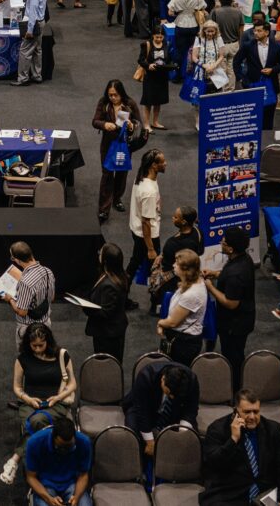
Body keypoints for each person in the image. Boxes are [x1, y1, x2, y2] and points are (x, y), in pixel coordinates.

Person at [0, 324, 79, 488]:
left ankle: (15, 459)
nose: (36, 349)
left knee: (36, 422)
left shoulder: (62, 355)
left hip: (56, 402)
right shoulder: (22, 359)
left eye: (40, 345)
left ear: (48, 341)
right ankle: (46, 470)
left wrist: (58, 397)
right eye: (33, 345)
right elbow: (17, 388)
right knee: (36, 422)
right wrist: (27, 399)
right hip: (30, 403)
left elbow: (72, 385)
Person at [200, 389, 280, 505]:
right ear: (236, 411)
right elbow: (212, 464)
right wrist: (233, 440)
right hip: (230, 493)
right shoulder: (217, 429)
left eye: (256, 412)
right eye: (247, 412)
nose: (252, 417)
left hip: (265, 492)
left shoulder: (272, 429)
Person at [203, 227, 255, 386]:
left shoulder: (236, 274)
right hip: (242, 318)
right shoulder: (244, 259)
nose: (221, 243)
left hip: (234, 324)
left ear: (231, 248)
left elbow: (231, 303)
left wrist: (211, 287)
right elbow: (227, 273)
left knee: (233, 356)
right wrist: (215, 273)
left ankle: (236, 388)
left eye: (223, 242)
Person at [123, 361, 199, 455]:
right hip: (142, 407)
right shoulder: (146, 376)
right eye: (169, 393)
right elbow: (142, 411)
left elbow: (191, 408)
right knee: (133, 435)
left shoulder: (192, 379)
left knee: (191, 437)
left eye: (174, 395)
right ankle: (139, 464)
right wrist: (150, 442)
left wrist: (182, 432)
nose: (171, 396)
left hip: (175, 410)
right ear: (163, 379)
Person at [92, 80, 140, 223]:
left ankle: (117, 198)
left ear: (121, 94)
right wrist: (104, 124)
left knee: (121, 173)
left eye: (115, 95)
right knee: (107, 175)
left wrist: (132, 125)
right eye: (110, 95)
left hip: (124, 145)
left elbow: (138, 123)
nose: (113, 98)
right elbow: (95, 121)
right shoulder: (104, 103)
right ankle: (103, 208)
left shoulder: (129, 104)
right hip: (107, 145)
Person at [155, 249, 206, 366]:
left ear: (186, 270)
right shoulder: (191, 281)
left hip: (184, 343)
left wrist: (160, 323)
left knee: (178, 375)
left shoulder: (191, 295)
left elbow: (173, 322)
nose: (173, 265)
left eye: (176, 264)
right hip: (182, 339)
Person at [234, 21, 280, 129]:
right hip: (252, 85)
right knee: (253, 117)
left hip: (271, 85)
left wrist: (273, 70)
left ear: (267, 32)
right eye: (255, 30)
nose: (255, 33)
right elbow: (236, 62)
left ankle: (267, 140)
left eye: (259, 31)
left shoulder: (276, 45)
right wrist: (242, 79)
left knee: (269, 117)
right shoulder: (248, 45)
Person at [127, 148, 166, 291]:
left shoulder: (142, 178)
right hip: (147, 237)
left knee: (134, 263)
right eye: (162, 162)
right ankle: (155, 301)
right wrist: (150, 249)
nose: (166, 164)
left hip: (137, 231)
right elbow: (146, 222)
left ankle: (123, 294)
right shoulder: (148, 192)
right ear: (153, 166)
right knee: (154, 268)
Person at [1, 242, 55, 344]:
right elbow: (51, 298)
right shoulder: (48, 272)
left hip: (28, 329)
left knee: (27, 358)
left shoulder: (25, 282)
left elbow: (22, 312)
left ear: (17, 260)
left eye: (13, 258)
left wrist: (10, 299)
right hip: (46, 324)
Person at [84, 243, 129, 362]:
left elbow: (105, 313)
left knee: (108, 364)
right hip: (112, 329)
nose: (99, 254)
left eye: (101, 253)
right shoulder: (118, 275)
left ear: (106, 261)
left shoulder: (109, 285)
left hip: (108, 333)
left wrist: (86, 307)